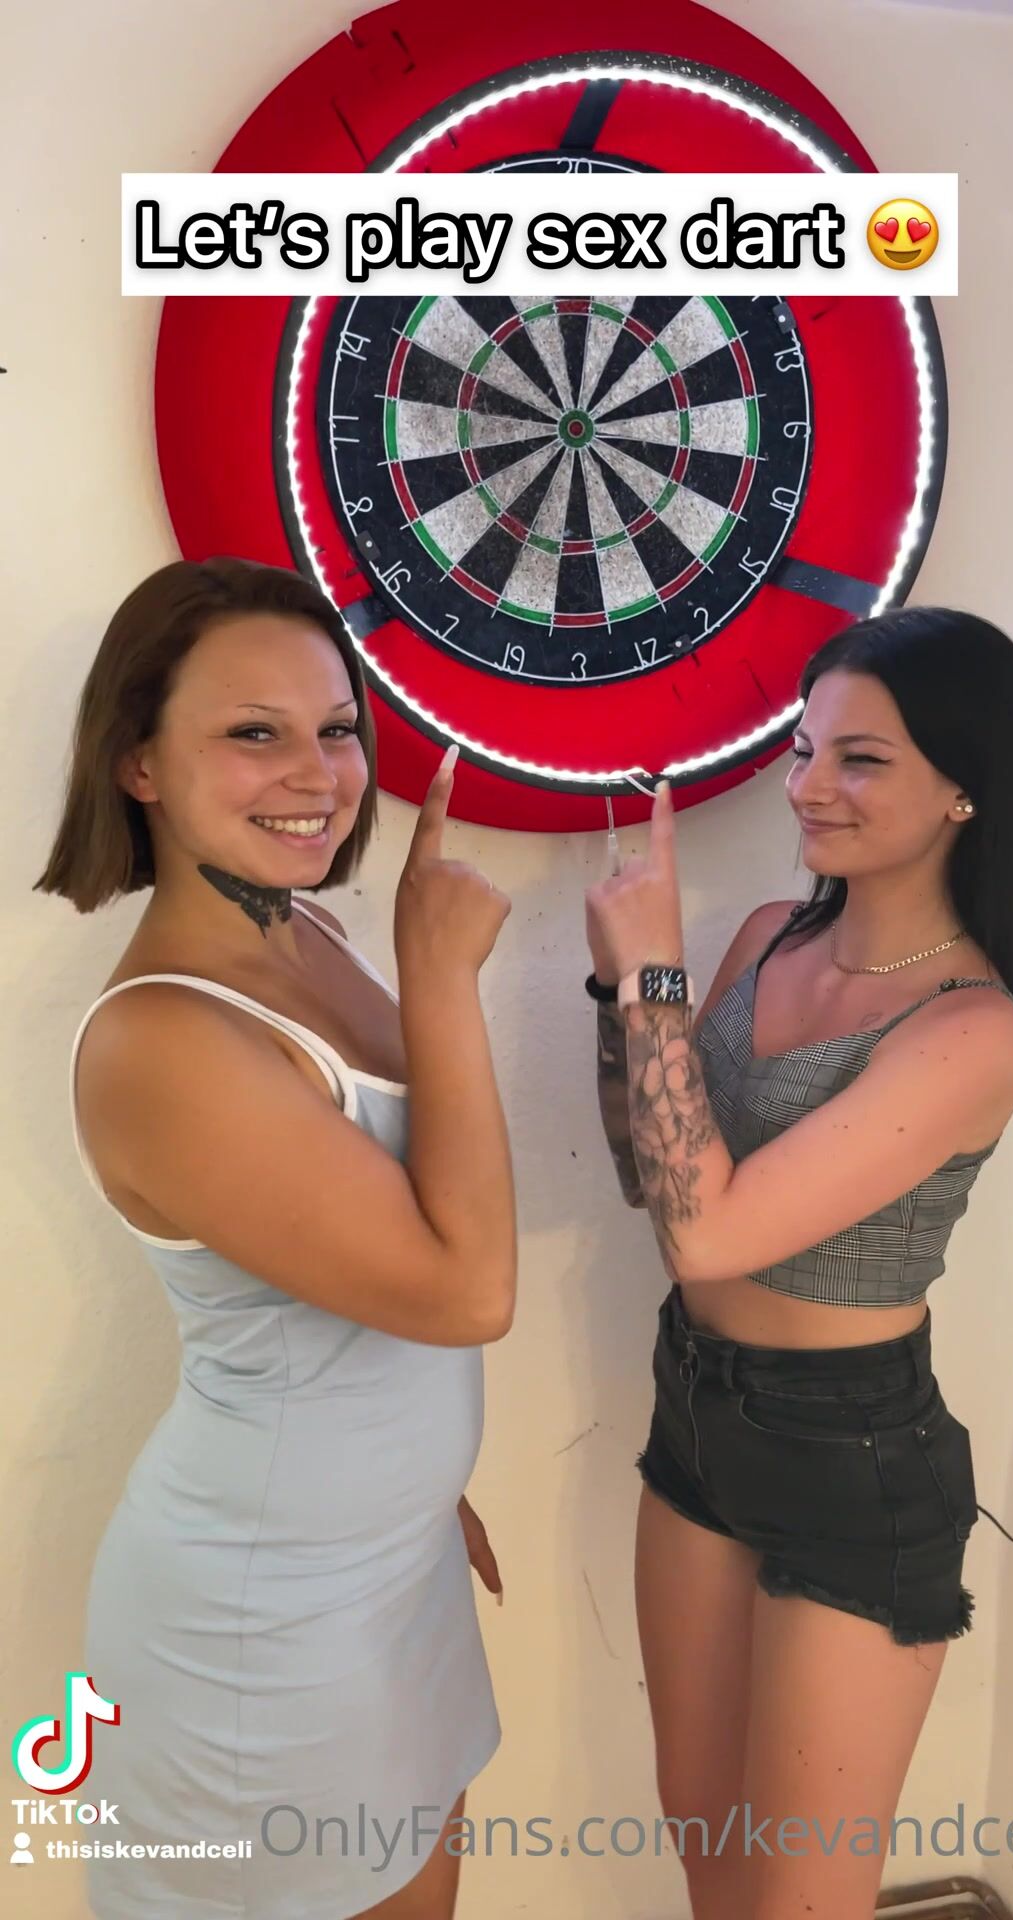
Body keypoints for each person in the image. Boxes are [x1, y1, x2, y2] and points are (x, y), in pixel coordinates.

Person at [35, 556, 516, 1920]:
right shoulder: (162, 1040)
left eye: (338, 728)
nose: (317, 772)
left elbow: (369, 1255)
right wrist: (440, 977)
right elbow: (466, 1289)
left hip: (386, 1567)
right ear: (139, 763)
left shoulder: (300, 932)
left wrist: (416, 1479)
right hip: (266, 1627)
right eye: (255, 732)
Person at [586, 606, 1013, 1920]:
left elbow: (711, 1229)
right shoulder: (766, 939)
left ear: (966, 787)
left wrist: (655, 973)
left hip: (852, 1460)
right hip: (695, 1409)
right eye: (806, 750)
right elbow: (649, 1178)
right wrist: (619, 991)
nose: (807, 786)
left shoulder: (970, 1028)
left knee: (802, 1897)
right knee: (708, 1846)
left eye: (861, 759)